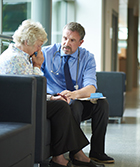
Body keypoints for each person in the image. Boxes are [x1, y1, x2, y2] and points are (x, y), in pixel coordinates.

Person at [0, 19, 104, 167]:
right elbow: (33, 87)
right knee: (63, 108)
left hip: (27, 102)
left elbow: (30, 89)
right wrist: (38, 65)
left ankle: (75, 155)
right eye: (38, 44)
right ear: (28, 41)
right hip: (21, 107)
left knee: (98, 103)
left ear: (80, 42)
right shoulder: (17, 59)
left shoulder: (19, 56)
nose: (39, 48)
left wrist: (53, 97)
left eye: (72, 40)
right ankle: (71, 155)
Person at [41, 22, 114, 164]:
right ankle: (76, 153)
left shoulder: (87, 57)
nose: (66, 43)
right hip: (57, 102)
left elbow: (91, 88)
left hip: (78, 97)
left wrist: (73, 94)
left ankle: (97, 151)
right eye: (64, 38)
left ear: (81, 42)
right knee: (75, 106)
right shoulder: (46, 53)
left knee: (102, 104)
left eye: (72, 40)